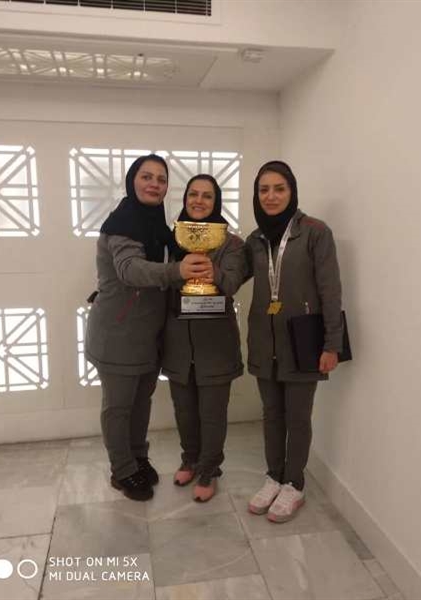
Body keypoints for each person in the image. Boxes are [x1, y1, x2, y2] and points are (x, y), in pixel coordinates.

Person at [85, 155, 211, 502]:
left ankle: (138, 457)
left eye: (161, 179)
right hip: (117, 335)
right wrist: (177, 271)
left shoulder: (157, 225)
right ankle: (122, 470)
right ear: (132, 180)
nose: (154, 184)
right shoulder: (122, 223)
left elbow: (177, 257)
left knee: (141, 402)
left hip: (147, 336)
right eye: (147, 176)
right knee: (119, 407)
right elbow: (130, 270)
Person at [246, 160, 343, 522]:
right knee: (271, 414)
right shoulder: (255, 240)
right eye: (264, 190)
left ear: (292, 191)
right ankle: (274, 477)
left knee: (298, 417)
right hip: (264, 339)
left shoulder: (316, 232)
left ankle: (294, 484)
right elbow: (233, 275)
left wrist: (331, 344)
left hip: (303, 341)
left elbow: (330, 291)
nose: (271, 196)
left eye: (279, 188)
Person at [161, 174, 248, 502]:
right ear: (185, 199)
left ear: (216, 202)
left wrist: (212, 270)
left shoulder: (231, 243)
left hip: (215, 343)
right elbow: (162, 282)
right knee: (184, 410)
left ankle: (210, 469)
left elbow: (233, 283)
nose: (199, 201)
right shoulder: (171, 239)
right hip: (178, 341)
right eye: (193, 194)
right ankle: (190, 459)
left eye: (207, 196)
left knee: (212, 413)